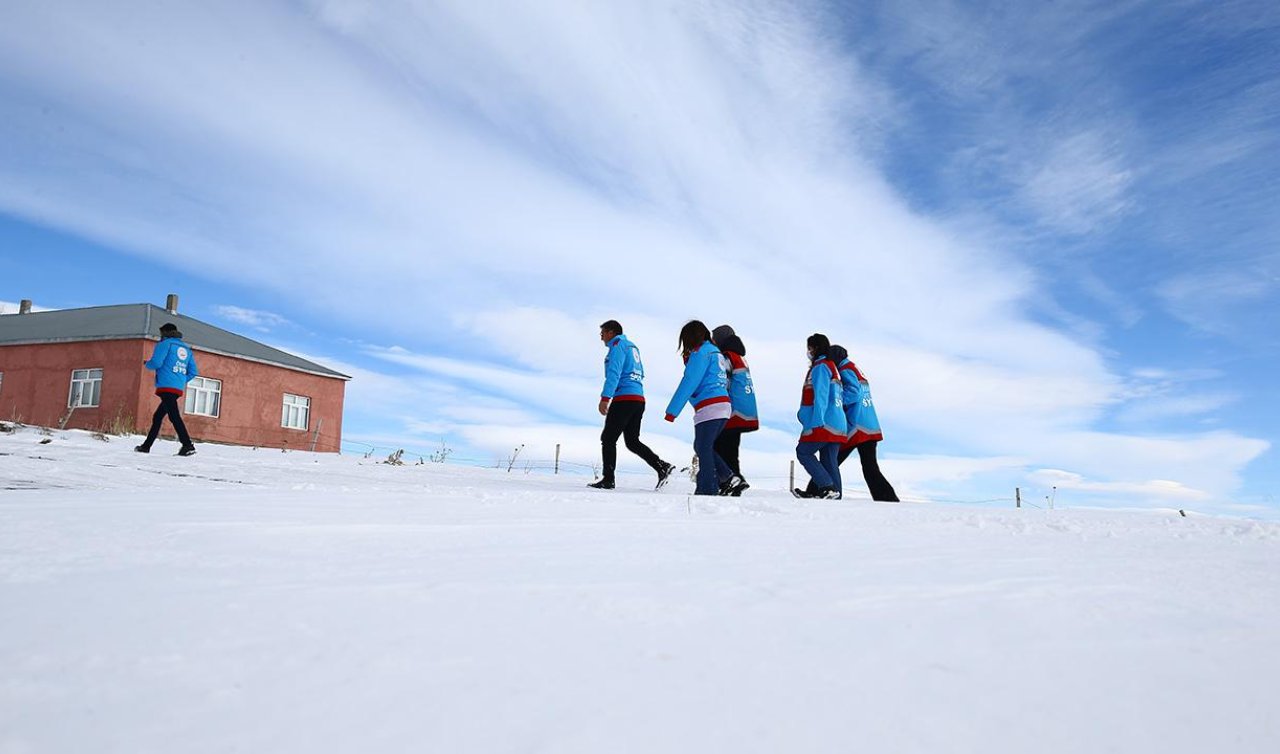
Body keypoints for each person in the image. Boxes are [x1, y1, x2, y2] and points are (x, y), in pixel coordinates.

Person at [803, 345, 901, 501]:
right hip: (869, 425)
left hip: (856, 427)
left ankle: (817, 491)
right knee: (869, 466)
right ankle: (888, 499)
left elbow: (854, 394)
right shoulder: (854, 368)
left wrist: (836, 401)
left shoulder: (845, 369)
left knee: (832, 458)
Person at [590, 320, 676, 490]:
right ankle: (662, 467)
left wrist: (605, 397)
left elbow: (614, 372)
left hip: (624, 398)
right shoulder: (632, 347)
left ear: (611, 332)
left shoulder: (618, 346)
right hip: (638, 399)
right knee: (632, 441)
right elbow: (641, 373)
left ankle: (608, 480)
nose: (601, 338)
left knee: (608, 438)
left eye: (602, 333)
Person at [664, 320, 742, 495]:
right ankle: (728, 477)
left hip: (710, 407)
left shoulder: (701, 353)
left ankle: (707, 488)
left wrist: (672, 411)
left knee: (703, 447)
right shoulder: (716, 353)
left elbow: (689, 381)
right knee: (701, 445)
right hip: (723, 406)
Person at [792, 333, 847, 499]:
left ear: (815, 348)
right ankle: (835, 495)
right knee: (829, 461)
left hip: (824, 422)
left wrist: (817, 421)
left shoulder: (821, 367)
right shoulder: (832, 367)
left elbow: (821, 395)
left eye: (809, 347)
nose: (807, 351)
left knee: (803, 452)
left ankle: (827, 486)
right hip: (837, 422)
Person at [135, 322, 198, 456]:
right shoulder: (187, 349)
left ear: (164, 333)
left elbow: (157, 362)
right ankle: (146, 446)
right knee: (158, 416)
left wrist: (147, 364)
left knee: (174, 416)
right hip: (177, 388)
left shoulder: (165, 344)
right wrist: (180, 380)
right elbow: (193, 372)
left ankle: (187, 444)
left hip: (166, 385)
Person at [710, 324, 758, 496]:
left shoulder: (727, 356)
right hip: (744, 411)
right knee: (730, 450)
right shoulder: (740, 357)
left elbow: (724, 381)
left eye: (714, 338)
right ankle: (732, 483)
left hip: (731, 410)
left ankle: (733, 481)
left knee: (718, 446)